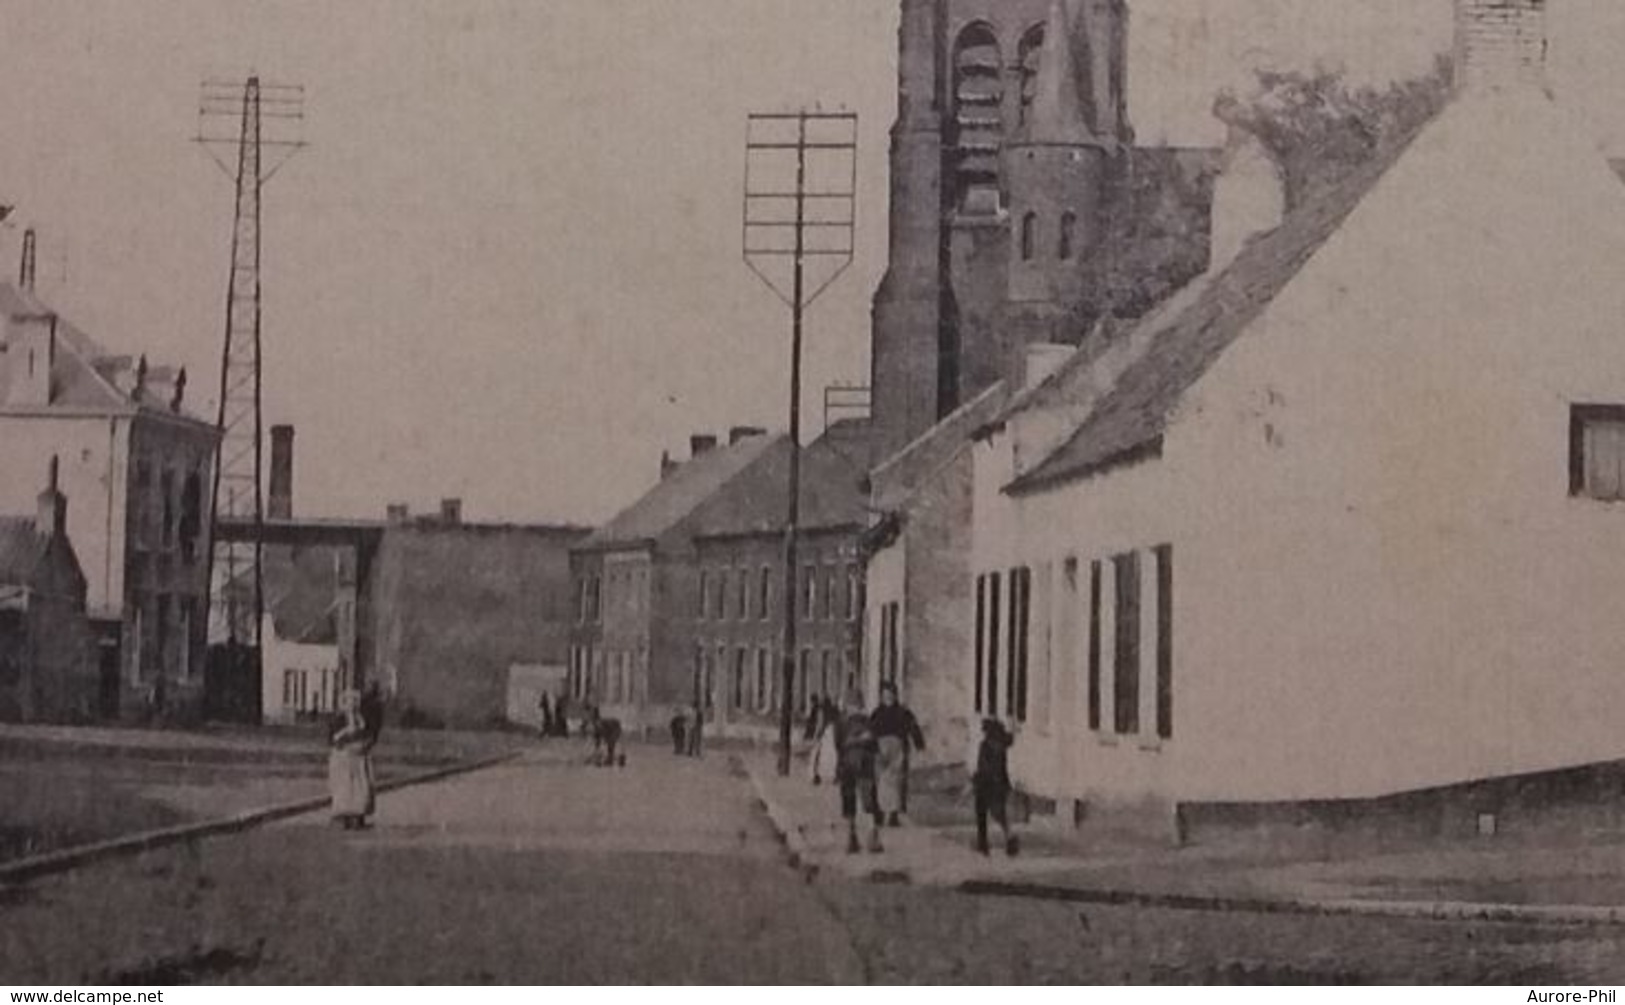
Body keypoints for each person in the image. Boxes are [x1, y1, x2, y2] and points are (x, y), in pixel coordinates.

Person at [834, 690, 883, 854]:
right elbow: (875, 746)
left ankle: (852, 837)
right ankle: (872, 838)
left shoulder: (841, 723)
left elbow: (838, 746)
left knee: (849, 801)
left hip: (847, 763)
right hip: (865, 765)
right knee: (869, 800)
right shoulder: (869, 722)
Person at [870, 682, 926, 827]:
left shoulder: (902, 712)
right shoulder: (877, 713)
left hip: (898, 747)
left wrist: (919, 743)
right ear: (881, 697)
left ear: (895, 696)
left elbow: (913, 727)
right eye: (885, 695)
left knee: (896, 781)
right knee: (881, 780)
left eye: (890, 695)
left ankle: (894, 814)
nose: (888, 698)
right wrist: (871, 747)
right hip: (880, 748)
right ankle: (880, 813)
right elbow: (871, 730)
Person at [328, 690, 376, 831]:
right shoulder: (339, 719)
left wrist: (366, 743)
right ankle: (344, 816)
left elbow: (370, 734)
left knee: (362, 787)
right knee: (345, 787)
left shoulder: (362, 719)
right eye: (350, 701)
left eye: (356, 701)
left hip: (360, 758)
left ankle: (359, 815)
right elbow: (333, 739)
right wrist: (345, 732)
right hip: (343, 758)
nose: (353, 705)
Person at [972, 718, 1017, 857]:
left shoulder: (985, 746)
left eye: (985, 730)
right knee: (1000, 814)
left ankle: (983, 844)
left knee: (981, 813)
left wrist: (976, 777)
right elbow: (1000, 767)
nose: (984, 733)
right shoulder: (1001, 746)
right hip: (1000, 785)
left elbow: (983, 766)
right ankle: (1009, 837)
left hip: (986, 785)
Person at [809, 696, 839, 785]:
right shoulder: (834, 712)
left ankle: (816, 775)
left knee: (817, 755)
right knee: (832, 755)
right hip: (832, 733)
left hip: (824, 734)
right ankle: (833, 775)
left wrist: (816, 736)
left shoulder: (821, 712)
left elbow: (820, 725)